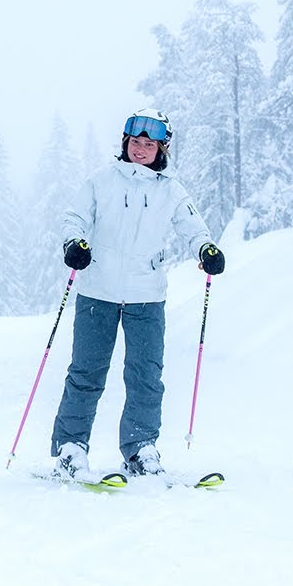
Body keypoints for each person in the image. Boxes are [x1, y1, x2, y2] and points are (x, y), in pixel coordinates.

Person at [50, 108, 226, 478]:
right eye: (135, 142)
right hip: (97, 292)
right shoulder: (102, 181)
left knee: (146, 375)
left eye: (149, 144)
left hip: (147, 295)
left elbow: (193, 228)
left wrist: (206, 249)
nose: (141, 149)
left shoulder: (171, 190)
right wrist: (74, 243)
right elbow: (74, 218)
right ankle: (71, 448)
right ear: (125, 143)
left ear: (162, 148)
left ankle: (140, 449)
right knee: (86, 372)